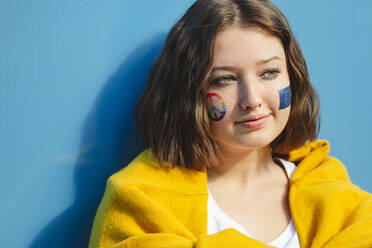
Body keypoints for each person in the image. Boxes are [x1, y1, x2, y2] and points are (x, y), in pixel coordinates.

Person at [88, 0, 372, 247]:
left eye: (270, 72)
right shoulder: (138, 200)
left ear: (292, 78)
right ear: (189, 93)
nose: (252, 100)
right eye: (224, 79)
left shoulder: (333, 189)